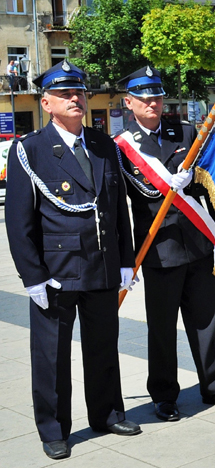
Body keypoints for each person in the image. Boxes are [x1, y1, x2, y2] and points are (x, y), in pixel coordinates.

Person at [6, 61, 140, 460]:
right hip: (56, 273)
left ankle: (107, 413)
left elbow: (118, 210)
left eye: (79, 91)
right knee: (51, 356)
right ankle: (53, 428)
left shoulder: (103, 145)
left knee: (103, 347)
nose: (76, 98)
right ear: (46, 103)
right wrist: (32, 276)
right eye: (65, 94)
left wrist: (125, 260)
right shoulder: (29, 150)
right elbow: (19, 220)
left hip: (100, 265)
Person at [116, 67, 215, 422]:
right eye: (144, 98)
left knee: (206, 320)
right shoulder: (122, 149)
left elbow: (208, 190)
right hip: (160, 251)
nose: (153, 103)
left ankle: (214, 385)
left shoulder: (185, 132)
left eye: (157, 96)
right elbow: (119, 210)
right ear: (129, 103)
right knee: (161, 327)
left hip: (198, 244)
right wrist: (126, 261)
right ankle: (163, 394)